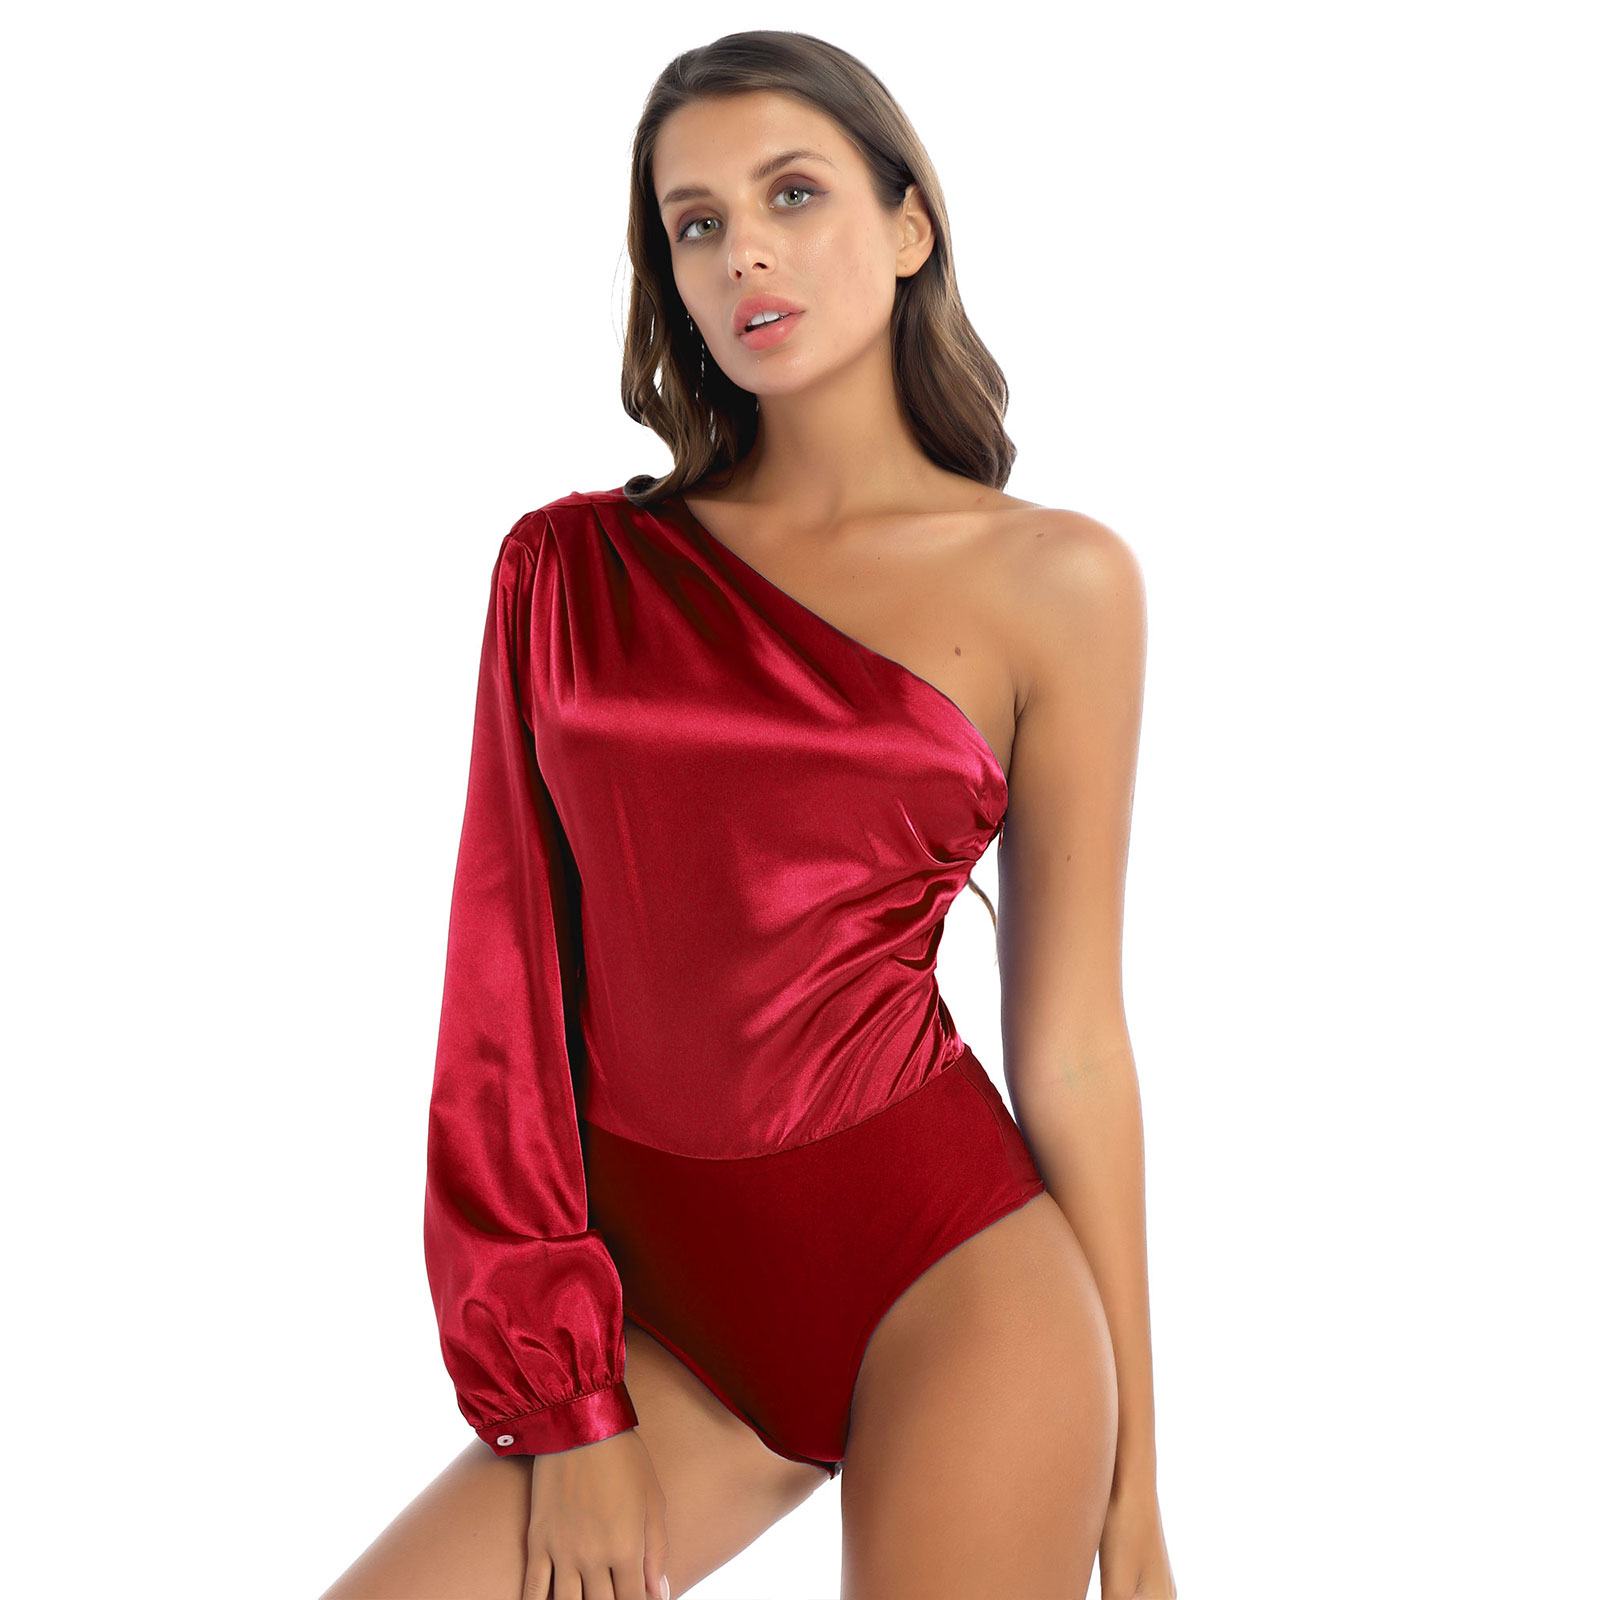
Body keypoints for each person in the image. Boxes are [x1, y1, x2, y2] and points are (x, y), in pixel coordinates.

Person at [321, 28, 1175, 1600]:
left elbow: (1070, 1046)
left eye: (793, 194)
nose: (744, 254)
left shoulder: (1060, 581)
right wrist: (567, 1405)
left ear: (909, 226)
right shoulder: (570, 573)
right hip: (667, 1323)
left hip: (955, 1286)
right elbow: (502, 1008)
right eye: (696, 222)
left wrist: (1138, 1500)